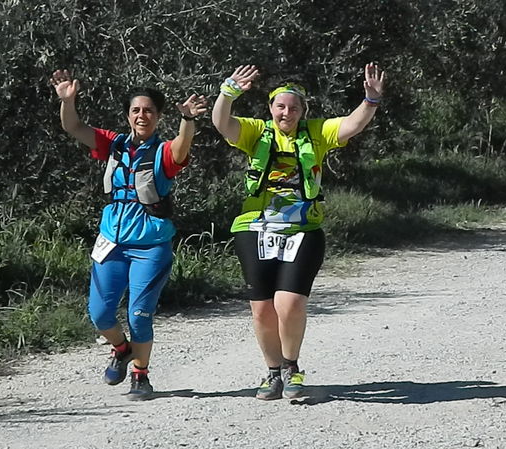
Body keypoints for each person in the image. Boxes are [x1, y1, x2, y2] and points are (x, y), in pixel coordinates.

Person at [211, 63, 385, 400]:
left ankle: (291, 367)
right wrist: (227, 92)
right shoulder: (256, 132)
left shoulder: (317, 133)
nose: (286, 113)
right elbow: (222, 123)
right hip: (254, 228)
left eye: (293, 107)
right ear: (271, 109)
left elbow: (351, 125)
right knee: (262, 308)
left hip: (303, 228)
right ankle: (272, 372)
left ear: (302, 111)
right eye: (280, 106)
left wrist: (371, 100)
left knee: (288, 303)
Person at [50, 69, 207, 400]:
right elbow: (73, 126)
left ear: (159, 116)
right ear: (127, 115)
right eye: (136, 110)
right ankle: (121, 349)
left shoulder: (164, 152)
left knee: (139, 314)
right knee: (100, 314)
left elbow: (181, 147)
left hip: (150, 247)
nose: (142, 115)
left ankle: (140, 375)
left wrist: (188, 121)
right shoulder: (114, 144)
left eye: (148, 110)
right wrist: (68, 101)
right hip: (112, 243)